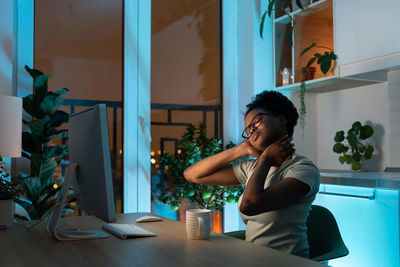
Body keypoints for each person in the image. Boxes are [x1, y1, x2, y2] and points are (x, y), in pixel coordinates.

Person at [184, 90, 320, 258]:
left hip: (286, 262)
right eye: (247, 130)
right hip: (252, 259)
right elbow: (192, 175)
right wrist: (241, 149)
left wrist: (267, 158)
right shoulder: (252, 167)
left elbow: (249, 205)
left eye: (256, 122)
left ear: (281, 120)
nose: (251, 131)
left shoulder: (303, 169)